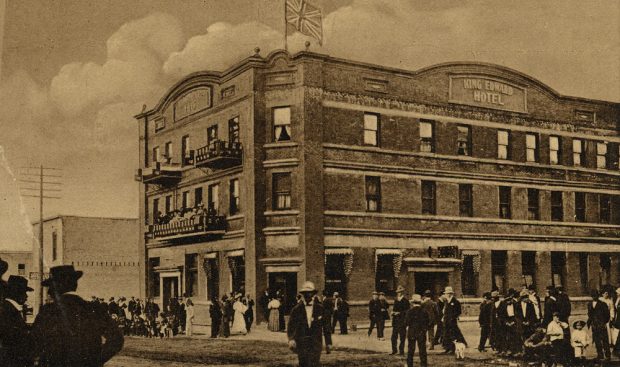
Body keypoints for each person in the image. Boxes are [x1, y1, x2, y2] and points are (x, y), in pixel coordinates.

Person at [31, 265, 124, 367]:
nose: (49, 291)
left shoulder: (48, 311)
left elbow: (34, 342)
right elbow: (117, 338)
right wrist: (96, 360)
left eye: (51, 287)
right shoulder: (94, 309)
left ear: (58, 287)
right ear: (74, 285)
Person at [287, 281, 332, 367]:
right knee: (303, 363)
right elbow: (291, 326)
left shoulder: (320, 308)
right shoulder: (296, 309)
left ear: (313, 294)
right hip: (302, 343)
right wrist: (291, 339)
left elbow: (326, 326)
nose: (308, 295)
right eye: (305, 293)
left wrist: (328, 342)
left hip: (316, 343)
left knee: (315, 363)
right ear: (303, 294)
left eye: (310, 293)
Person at [0, 276, 34, 367]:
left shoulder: (8, 308)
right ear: (16, 292)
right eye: (24, 292)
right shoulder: (8, 310)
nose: (26, 296)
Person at [405, 294, 429, 367]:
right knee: (422, 350)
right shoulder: (424, 312)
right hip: (421, 332)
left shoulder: (409, 312)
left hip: (412, 332)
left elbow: (406, 323)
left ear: (413, 303)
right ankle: (424, 365)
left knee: (410, 350)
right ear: (420, 303)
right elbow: (427, 322)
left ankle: (409, 364)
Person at [588, 289, 611, 361]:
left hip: (601, 324)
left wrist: (604, 323)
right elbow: (590, 314)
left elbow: (607, 315)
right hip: (594, 325)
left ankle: (607, 355)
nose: (594, 297)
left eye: (595, 296)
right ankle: (600, 355)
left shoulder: (603, 304)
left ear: (598, 296)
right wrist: (591, 323)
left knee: (604, 340)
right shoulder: (589, 304)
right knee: (597, 340)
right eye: (593, 296)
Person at [441, 286, 464, 355]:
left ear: (450, 294)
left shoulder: (455, 302)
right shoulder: (446, 302)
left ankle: (452, 349)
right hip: (446, 321)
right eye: (446, 293)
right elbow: (444, 311)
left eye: (448, 293)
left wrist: (453, 317)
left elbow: (458, 311)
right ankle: (447, 348)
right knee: (446, 335)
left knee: (453, 335)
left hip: (452, 322)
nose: (446, 295)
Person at [391, 285, 410, 355]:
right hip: (395, 321)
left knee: (402, 337)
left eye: (400, 292)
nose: (399, 293)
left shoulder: (406, 301)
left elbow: (407, 311)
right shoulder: (396, 300)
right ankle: (394, 350)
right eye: (398, 292)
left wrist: (399, 313)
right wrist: (393, 313)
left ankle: (401, 351)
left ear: (402, 292)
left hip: (402, 321)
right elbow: (394, 309)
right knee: (393, 337)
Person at [613, 287, 620, 357]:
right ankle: (617, 350)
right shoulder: (617, 299)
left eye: (618, 293)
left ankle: (617, 350)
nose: (617, 294)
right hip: (618, 318)